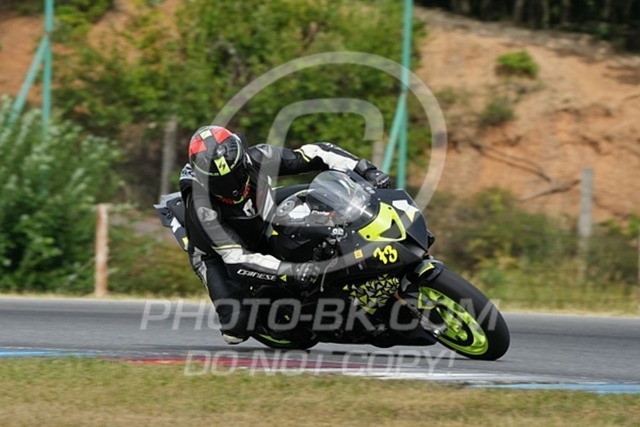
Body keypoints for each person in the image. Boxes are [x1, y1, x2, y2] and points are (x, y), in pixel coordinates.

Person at [179, 125, 390, 344]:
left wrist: (364, 168)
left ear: (243, 161)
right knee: (236, 329)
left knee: (326, 198)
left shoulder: (259, 157)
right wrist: (290, 272)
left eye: (236, 175)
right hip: (217, 255)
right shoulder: (202, 207)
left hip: (264, 217)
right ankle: (265, 315)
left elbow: (315, 153)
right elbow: (237, 259)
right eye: (221, 183)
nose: (232, 187)